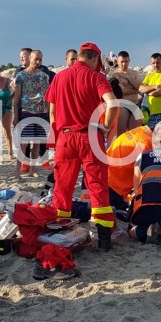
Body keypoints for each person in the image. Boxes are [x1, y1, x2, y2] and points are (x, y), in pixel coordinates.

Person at [46, 42, 117, 251]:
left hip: (65, 137)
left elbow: (52, 112)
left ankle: (61, 234)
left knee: (62, 188)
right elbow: (112, 104)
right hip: (90, 136)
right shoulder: (97, 77)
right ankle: (104, 240)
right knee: (97, 186)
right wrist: (105, 126)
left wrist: (59, 136)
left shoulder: (59, 77)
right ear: (95, 59)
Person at [13, 50, 51, 177]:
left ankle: (33, 170)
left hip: (41, 112)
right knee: (24, 143)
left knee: (37, 143)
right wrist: (15, 116)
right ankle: (17, 172)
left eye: (40, 59)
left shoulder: (44, 76)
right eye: (36, 59)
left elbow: (47, 97)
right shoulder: (21, 76)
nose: (38, 62)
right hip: (26, 112)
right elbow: (16, 99)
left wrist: (49, 115)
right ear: (30, 58)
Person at [137, 53, 161, 129]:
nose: (155, 65)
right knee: (153, 138)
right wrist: (155, 87)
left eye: (158, 62)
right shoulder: (149, 76)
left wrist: (148, 91)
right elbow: (140, 89)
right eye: (153, 63)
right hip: (152, 114)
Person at [113, 51, 142, 135]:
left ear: (129, 61)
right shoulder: (115, 74)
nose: (124, 64)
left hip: (135, 104)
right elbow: (121, 91)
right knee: (121, 134)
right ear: (117, 61)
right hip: (123, 105)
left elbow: (139, 87)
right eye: (121, 62)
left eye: (126, 61)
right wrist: (135, 90)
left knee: (133, 134)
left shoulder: (134, 73)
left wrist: (128, 77)